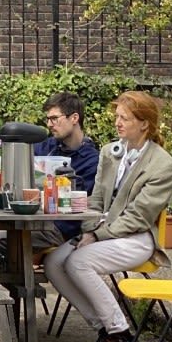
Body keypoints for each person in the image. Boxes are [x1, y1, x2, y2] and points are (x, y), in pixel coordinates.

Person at [44, 90, 172, 342]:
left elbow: (139, 217)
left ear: (144, 123)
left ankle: (124, 336)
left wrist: (95, 235)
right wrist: (90, 228)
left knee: (79, 261)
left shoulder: (162, 164)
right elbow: (97, 198)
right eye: (116, 116)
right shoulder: (110, 152)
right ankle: (105, 330)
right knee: (54, 262)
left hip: (136, 238)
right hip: (102, 231)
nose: (117, 123)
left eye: (124, 118)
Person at [34, 91, 100, 247]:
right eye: (48, 119)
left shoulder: (92, 161)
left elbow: (83, 205)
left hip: (63, 229)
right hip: (34, 222)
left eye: (54, 118)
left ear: (74, 118)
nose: (49, 124)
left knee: (1, 242)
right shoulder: (45, 147)